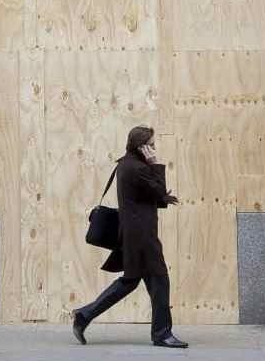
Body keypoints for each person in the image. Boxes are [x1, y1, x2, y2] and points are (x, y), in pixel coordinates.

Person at [71, 125, 188, 349]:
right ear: (141, 146)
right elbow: (158, 190)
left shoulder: (126, 164)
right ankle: (162, 334)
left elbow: (149, 196)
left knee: (130, 281)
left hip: (133, 234)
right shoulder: (138, 168)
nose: (154, 149)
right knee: (160, 280)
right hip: (142, 236)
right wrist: (155, 164)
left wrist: (162, 197)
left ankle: (84, 316)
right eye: (151, 145)